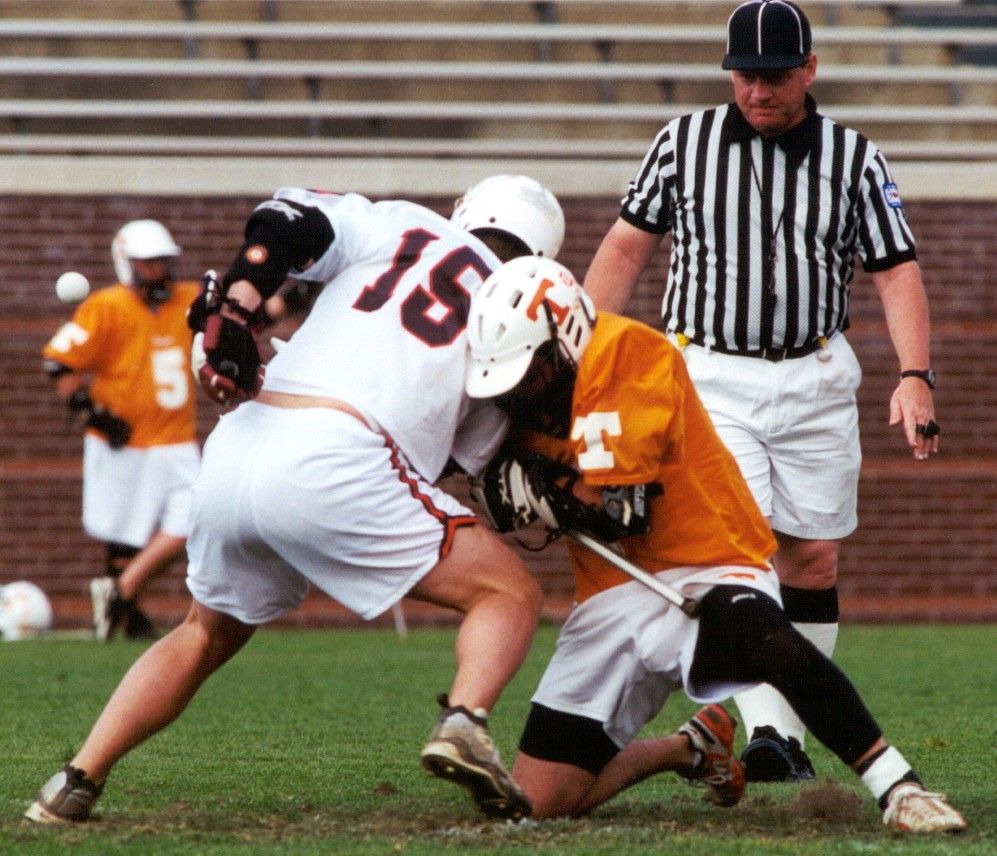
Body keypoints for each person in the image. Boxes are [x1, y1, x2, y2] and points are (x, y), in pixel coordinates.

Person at [26, 175, 564, 826]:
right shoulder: (513, 312)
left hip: (241, 439)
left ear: (466, 212)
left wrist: (240, 301)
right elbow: (464, 463)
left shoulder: (403, 223)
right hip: (342, 454)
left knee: (201, 633)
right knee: (508, 594)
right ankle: (464, 722)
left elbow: (285, 218)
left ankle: (75, 779)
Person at [462, 255, 966, 833]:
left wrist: (542, 493)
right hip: (611, 591)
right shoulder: (519, 399)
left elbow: (622, 512)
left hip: (708, 560)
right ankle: (689, 749)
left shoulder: (626, 354)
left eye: (530, 375)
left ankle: (897, 786)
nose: (520, 394)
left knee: (760, 634)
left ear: (568, 339)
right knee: (535, 802)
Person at [582, 0, 941, 783]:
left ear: (808, 69)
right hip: (708, 372)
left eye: (773, 76)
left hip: (813, 371)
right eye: (743, 76)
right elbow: (625, 248)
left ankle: (790, 735)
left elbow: (894, 271)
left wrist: (914, 376)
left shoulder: (854, 157)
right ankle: (769, 735)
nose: (756, 92)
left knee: (811, 560)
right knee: (741, 551)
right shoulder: (682, 143)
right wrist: (585, 354)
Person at [42, 219, 202, 642]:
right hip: (125, 439)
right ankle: (127, 612)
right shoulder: (107, 305)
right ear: (127, 264)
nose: (159, 270)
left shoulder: (189, 299)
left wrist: (289, 297)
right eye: (149, 263)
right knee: (124, 535)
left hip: (177, 438)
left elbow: (242, 312)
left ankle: (121, 592)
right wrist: (92, 413)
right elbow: (60, 363)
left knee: (196, 520)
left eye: (162, 261)